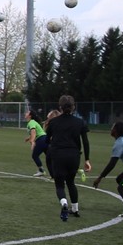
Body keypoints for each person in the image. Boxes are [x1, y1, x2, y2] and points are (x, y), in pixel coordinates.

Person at [45, 94, 91, 222]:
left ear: (60, 107)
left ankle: (64, 203)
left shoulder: (53, 122)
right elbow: (86, 142)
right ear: (73, 107)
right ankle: (75, 209)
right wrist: (87, 160)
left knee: (59, 184)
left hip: (58, 155)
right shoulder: (79, 122)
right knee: (71, 182)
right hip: (74, 155)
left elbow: (47, 141)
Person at [24, 109, 48, 177]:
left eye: (27, 113)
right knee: (50, 157)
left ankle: (41, 171)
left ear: (30, 116)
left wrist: (32, 141)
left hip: (41, 140)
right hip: (45, 139)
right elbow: (37, 132)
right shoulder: (32, 122)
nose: (25, 113)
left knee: (35, 155)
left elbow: (34, 132)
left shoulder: (31, 122)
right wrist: (29, 138)